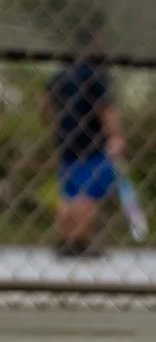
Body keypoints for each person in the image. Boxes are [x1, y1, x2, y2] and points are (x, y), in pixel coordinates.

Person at [46, 21, 132, 255]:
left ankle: (65, 239)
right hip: (93, 142)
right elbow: (105, 108)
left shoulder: (61, 74)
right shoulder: (96, 73)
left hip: (66, 142)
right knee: (90, 192)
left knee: (69, 192)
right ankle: (79, 242)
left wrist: (57, 127)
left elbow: (45, 105)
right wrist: (116, 136)